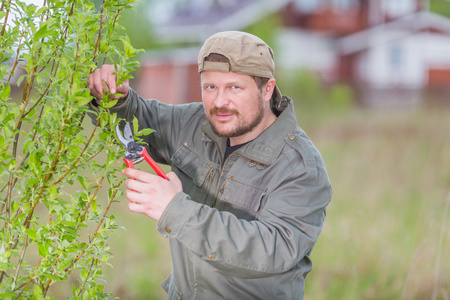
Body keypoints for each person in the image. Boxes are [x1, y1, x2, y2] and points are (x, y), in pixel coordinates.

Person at [88, 31, 332, 299]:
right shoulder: (194, 124)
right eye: (210, 87)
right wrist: (115, 98)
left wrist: (175, 210)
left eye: (234, 88)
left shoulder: (301, 167)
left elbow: (273, 251)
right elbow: (140, 120)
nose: (219, 102)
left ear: (267, 89)